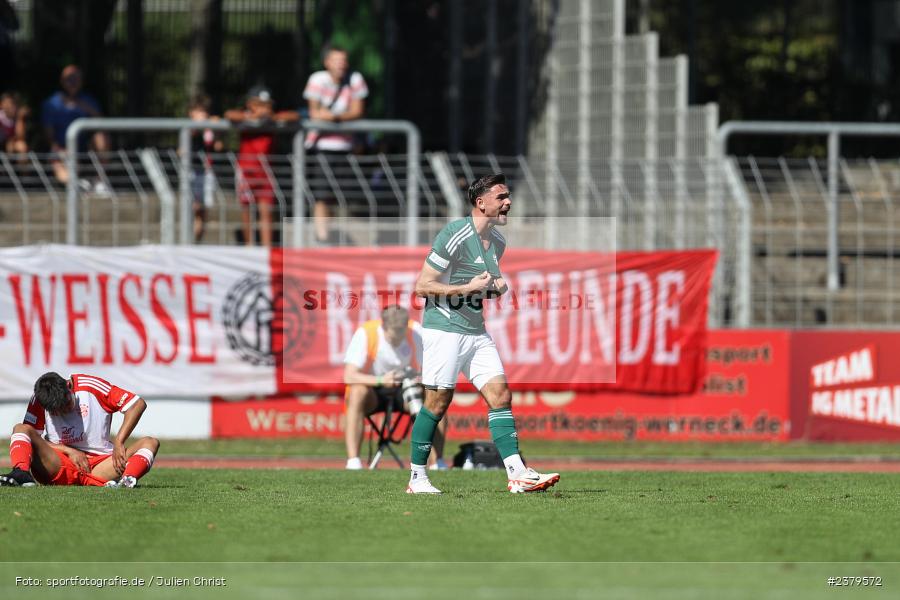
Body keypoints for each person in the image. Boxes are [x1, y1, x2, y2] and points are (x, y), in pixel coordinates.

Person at [408, 173, 560, 494]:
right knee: (437, 402)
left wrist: (493, 288)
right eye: (501, 197)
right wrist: (468, 287)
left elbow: (481, 286)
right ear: (481, 203)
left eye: (507, 196)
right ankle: (417, 478)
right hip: (444, 330)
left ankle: (517, 474)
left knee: (500, 395)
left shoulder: (499, 242)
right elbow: (422, 286)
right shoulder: (455, 233)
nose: (508, 202)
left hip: (476, 332)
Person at [0, 372, 160, 488]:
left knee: (150, 442)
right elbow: (32, 437)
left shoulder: (90, 386)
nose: (64, 411)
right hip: (58, 465)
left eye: (66, 404)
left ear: (69, 386)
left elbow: (137, 404)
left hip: (99, 466)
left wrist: (119, 441)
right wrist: (68, 450)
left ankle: (127, 481)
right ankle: (21, 474)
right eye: (57, 411)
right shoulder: (40, 398)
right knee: (21, 428)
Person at [343, 305, 448, 470]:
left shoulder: (415, 331)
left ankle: (437, 462)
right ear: (383, 326)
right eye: (394, 335)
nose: (399, 339)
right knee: (357, 392)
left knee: (436, 395)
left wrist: (419, 378)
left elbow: (433, 370)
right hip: (374, 392)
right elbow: (349, 376)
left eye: (402, 332)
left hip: (406, 391)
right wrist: (380, 380)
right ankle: (353, 461)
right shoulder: (366, 333)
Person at [303, 45, 368, 244]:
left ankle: (332, 236)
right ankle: (322, 237)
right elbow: (315, 114)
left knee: (339, 195)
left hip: (346, 147)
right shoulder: (317, 79)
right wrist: (339, 117)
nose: (341, 64)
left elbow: (357, 111)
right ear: (327, 62)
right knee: (321, 195)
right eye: (336, 60)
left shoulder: (355, 79)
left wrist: (333, 117)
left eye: (343, 60)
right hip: (321, 147)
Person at [225, 85, 298, 247]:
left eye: (266, 105)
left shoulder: (272, 120)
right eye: (258, 104)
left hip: (265, 174)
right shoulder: (246, 119)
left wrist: (272, 117)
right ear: (250, 104)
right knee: (247, 212)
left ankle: (266, 249)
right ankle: (249, 246)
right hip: (246, 172)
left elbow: (294, 115)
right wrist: (251, 117)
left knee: (266, 212)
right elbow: (229, 114)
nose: (263, 109)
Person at [41, 65, 110, 188]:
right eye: (69, 78)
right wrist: (59, 149)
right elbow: (49, 136)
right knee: (65, 172)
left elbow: (102, 124)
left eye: (76, 78)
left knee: (101, 137)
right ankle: (76, 185)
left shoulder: (89, 100)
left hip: (84, 147)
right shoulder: (51, 103)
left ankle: (99, 181)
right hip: (62, 149)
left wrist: (86, 108)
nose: (73, 82)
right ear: (62, 81)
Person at [187, 94, 223, 243]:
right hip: (193, 171)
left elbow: (218, 147)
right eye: (199, 111)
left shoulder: (209, 130)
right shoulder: (189, 128)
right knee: (195, 206)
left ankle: (198, 239)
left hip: (207, 172)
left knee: (204, 209)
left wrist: (217, 130)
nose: (202, 115)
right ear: (191, 113)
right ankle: (190, 237)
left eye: (204, 111)